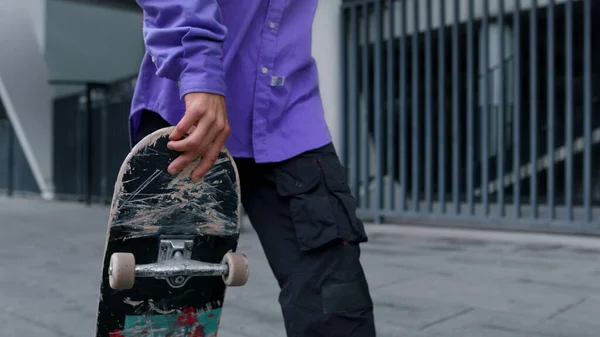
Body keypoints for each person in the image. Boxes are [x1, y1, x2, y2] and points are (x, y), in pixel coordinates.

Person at [131, 1, 376, 336]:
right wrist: (198, 69)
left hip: (289, 116)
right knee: (167, 307)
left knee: (337, 301)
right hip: (188, 112)